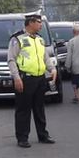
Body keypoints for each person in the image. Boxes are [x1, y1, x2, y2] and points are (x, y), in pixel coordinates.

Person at [8, 13, 57, 148]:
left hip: (40, 78)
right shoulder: (17, 39)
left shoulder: (40, 39)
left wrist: (52, 69)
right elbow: (11, 59)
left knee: (39, 108)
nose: (41, 24)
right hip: (25, 78)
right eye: (39, 22)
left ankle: (43, 135)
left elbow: (45, 57)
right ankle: (22, 138)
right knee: (23, 109)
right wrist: (16, 77)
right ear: (30, 23)